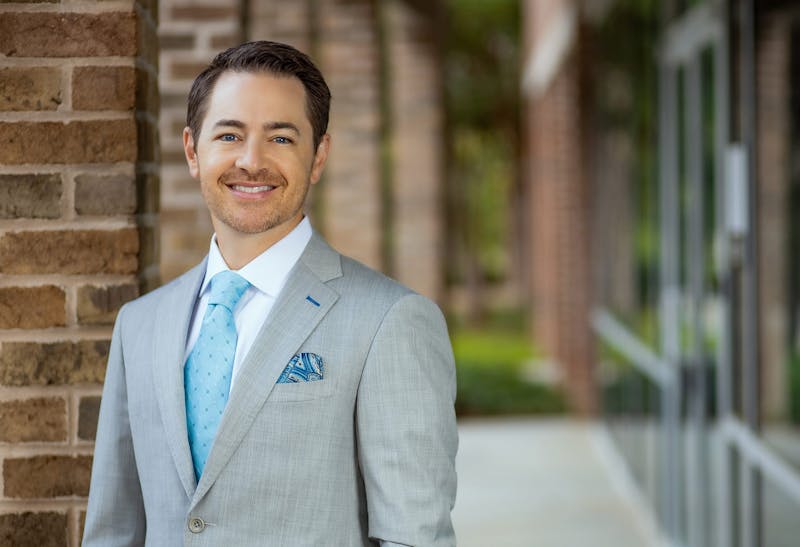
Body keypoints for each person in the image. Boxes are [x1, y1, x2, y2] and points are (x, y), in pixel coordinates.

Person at [82, 40, 458, 546]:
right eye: (230, 134)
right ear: (194, 151)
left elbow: (414, 537)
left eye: (281, 138)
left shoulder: (390, 320)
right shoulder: (140, 323)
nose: (252, 161)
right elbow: (114, 528)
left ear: (318, 155)